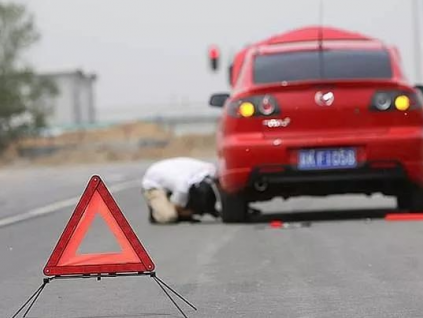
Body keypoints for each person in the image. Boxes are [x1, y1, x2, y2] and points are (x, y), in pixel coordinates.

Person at [141, 157, 220, 224]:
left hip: (170, 177)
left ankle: (171, 202)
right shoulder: (182, 185)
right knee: (170, 216)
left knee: (184, 204)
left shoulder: (211, 170)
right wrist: (187, 212)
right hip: (154, 184)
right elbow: (178, 205)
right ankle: (155, 209)